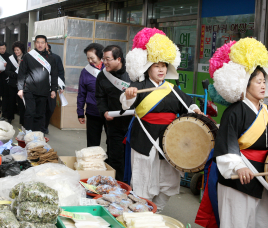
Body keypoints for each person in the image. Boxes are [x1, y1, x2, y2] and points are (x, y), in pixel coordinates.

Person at [195, 38, 268, 228]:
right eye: (258, 81)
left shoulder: (265, 109)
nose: (263, 85)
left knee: (265, 224)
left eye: (264, 81)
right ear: (245, 84)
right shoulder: (234, 112)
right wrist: (238, 167)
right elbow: (226, 144)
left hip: (262, 177)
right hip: (239, 178)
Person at [120, 28, 203, 211]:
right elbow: (126, 104)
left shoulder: (172, 88)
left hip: (169, 140)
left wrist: (197, 110)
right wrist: (128, 95)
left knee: (168, 179)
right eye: (157, 66)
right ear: (148, 67)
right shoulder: (138, 86)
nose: (161, 69)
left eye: (164, 66)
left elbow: (188, 104)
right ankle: (142, 213)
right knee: (143, 178)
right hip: (144, 138)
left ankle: (158, 209)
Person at [95, 45, 132, 181]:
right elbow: (100, 97)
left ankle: (129, 186)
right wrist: (104, 111)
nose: (104, 62)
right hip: (113, 122)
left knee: (130, 157)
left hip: (132, 123)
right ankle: (116, 186)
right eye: (103, 59)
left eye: (108, 59)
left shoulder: (132, 73)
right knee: (115, 155)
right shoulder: (102, 75)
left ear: (119, 59)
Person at [17, 35, 58, 133]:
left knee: (40, 114)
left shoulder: (51, 59)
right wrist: (20, 88)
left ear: (46, 44)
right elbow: (21, 73)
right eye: (38, 42)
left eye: (42, 42)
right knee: (30, 112)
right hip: (30, 90)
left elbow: (54, 75)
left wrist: (53, 89)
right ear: (35, 43)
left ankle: (37, 134)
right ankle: (28, 133)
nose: (40, 45)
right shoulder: (28, 56)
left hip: (44, 91)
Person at [77, 43, 107, 147]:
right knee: (92, 142)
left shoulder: (109, 68)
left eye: (92, 58)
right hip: (93, 111)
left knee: (112, 142)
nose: (90, 61)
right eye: (88, 58)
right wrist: (80, 112)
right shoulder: (85, 72)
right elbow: (81, 93)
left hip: (109, 111)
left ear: (100, 55)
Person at [44, 43, 65, 134]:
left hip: (53, 86)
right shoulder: (36, 57)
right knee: (41, 107)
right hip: (41, 87)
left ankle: (45, 124)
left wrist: (62, 85)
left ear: (48, 47)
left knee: (51, 108)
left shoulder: (56, 58)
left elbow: (61, 72)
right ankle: (41, 127)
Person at [5, 41, 26, 125]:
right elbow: (7, 71)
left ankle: (22, 121)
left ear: (21, 49)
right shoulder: (11, 58)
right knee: (11, 102)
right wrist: (14, 74)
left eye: (18, 50)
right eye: (15, 50)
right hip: (13, 84)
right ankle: (10, 118)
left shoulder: (26, 57)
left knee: (22, 104)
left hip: (23, 85)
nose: (16, 52)